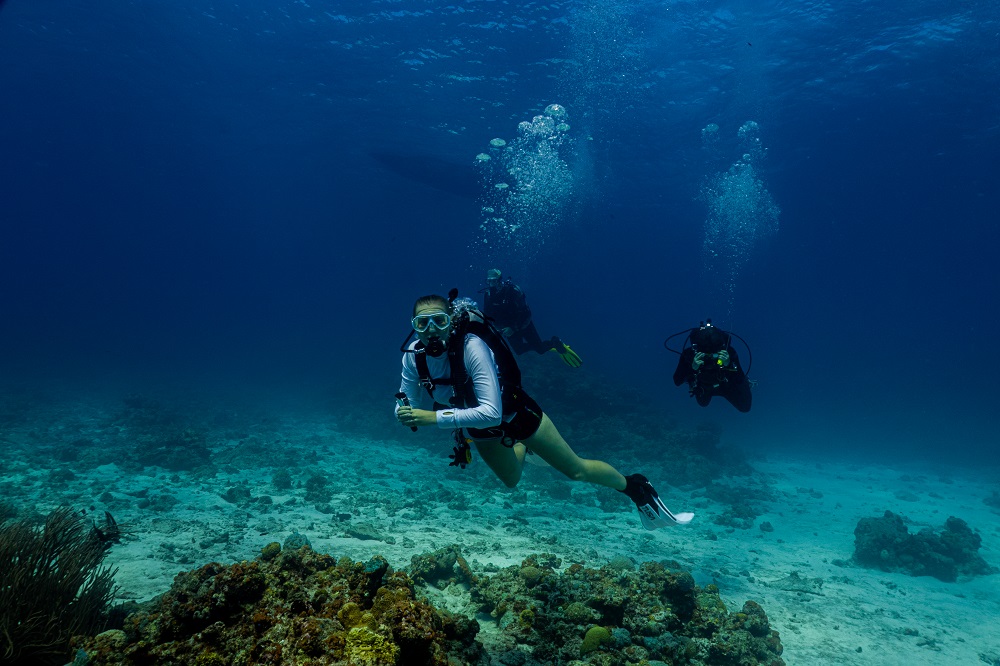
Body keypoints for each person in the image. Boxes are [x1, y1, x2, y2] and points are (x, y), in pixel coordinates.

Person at [395, 293, 693, 529]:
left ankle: (636, 488)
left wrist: (433, 418)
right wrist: (401, 410)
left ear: (451, 321)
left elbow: (492, 413)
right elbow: (405, 398)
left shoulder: (472, 346)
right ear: (413, 325)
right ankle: (523, 447)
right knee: (511, 481)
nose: (431, 331)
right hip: (475, 425)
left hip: (515, 413)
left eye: (439, 321)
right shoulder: (413, 357)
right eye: (422, 324)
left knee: (576, 470)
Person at [481, 268, 582, 367]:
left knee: (540, 350)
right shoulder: (488, 295)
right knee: (519, 351)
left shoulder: (513, 291)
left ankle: (555, 342)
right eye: (488, 281)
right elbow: (488, 314)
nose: (491, 285)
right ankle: (544, 345)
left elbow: (526, 313)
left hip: (523, 324)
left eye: (493, 281)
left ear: (499, 280)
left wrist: (513, 328)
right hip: (507, 328)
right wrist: (496, 328)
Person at [671, 319, 752, 413]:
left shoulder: (728, 352)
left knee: (745, 407)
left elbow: (739, 378)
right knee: (703, 404)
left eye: (714, 353)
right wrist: (692, 367)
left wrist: (728, 364)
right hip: (704, 387)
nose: (709, 357)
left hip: (725, 384)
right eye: (705, 354)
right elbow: (677, 381)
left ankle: (748, 383)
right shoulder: (689, 354)